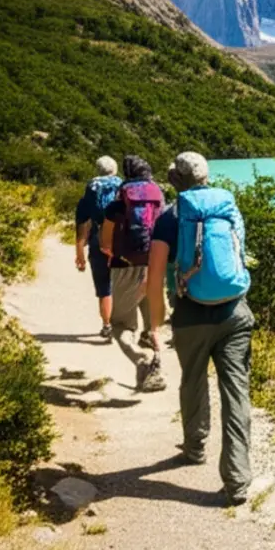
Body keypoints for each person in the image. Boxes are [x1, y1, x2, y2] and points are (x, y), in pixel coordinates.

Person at [146, 152, 255, 504]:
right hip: (235, 313)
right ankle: (237, 480)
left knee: (193, 379)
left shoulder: (168, 219)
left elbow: (154, 277)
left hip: (191, 314)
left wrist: (154, 323)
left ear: (176, 181)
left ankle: (195, 448)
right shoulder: (228, 208)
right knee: (236, 392)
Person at [100, 156, 167, 392]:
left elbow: (105, 244)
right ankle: (156, 366)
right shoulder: (159, 200)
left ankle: (141, 360)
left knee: (120, 325)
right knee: (154, 327)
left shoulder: (117, 205)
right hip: (155, 267)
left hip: (124, 267)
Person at [74, 156, 122, 340]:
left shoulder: (91, 188)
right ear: (115, 169)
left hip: (98, 239)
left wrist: (79, 253)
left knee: (104, 286)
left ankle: (107, 325)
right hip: (121, 240)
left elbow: (81, 222)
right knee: (122, 282)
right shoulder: (123, 186)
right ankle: (123, 324)